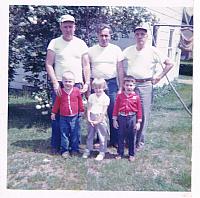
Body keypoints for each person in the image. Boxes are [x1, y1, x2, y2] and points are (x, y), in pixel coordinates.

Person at [123, 23, 174, 150]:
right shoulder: (128, 50)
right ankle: (128, 140)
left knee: (143, 114)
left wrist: (159, 77)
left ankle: (139, 142)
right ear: (135, 36)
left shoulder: (153, 51)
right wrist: (123, 77)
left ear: (147, 36)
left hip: (146, 85)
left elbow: (170, 63)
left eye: (142, 34)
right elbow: (118, 62)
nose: (140, 36)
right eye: (137, 34)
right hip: (131, 85)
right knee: (128, 112)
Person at [45, 14, 90, 154]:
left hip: (76, 84)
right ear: (61, 27)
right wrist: (54, 83)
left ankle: (74, 146)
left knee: (75, 117)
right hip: (60, 84)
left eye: (70, 26)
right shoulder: (54, 43)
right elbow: (48, 63)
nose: (68, 29)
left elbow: (86, 65)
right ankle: (56, 145)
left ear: (74, 27)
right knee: (58, 115)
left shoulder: (81, 43)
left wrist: (87, 82)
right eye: (65, 26)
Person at [88, 23, 124, 148]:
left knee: (113, 111)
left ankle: (114, 140)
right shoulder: (91, 50)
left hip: (112, 83)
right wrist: (88, 86)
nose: (104, 38)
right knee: (97, 110)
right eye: (101, 35)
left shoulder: (116, 49)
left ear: (110, 36)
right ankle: (99, 138)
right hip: (96, 84)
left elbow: (120, 69)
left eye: (106, 35)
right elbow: (87, 68)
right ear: (97, 36)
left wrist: (121, 87)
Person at [51, 71, 84, 158]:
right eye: (65, 81)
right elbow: (56, 104)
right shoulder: (60, 92)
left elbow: (80, 101)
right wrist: (53, 112)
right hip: (63, 117)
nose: (68, 83)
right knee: (64, 133)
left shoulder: (77, 91)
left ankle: (74, 149)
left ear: (74, 82)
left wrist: (81, 110)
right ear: (62, 82)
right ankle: (64, 150)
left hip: (74, 116)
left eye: (70, 81)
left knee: (75, 133)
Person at [112, 75, 142, 161]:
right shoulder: (120, 96)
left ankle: (131, 154)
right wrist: (114, 119)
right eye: (127, 85)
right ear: (124, 86)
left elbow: (139, 110)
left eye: (131, 85)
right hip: (121, 118)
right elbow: (116, 108)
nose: (129, 87)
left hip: (132, 118)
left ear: (134, 86)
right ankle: (120, 153)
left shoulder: (136, 97)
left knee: (132, 136)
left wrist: (138, 122)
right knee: (120, 136)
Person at [82, 78, 110, 161]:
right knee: (90, 134)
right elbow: (89, 108)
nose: (98, 90)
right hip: (92, 116)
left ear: (104, 88)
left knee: (102, 135)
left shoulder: (106, 98)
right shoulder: (91, 96)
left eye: (100, 88)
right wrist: (89, 118)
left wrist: (99, 120)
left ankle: (102, 151)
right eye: (96, 88)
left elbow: (104, 111)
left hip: (100, 117)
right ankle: (88, 149)